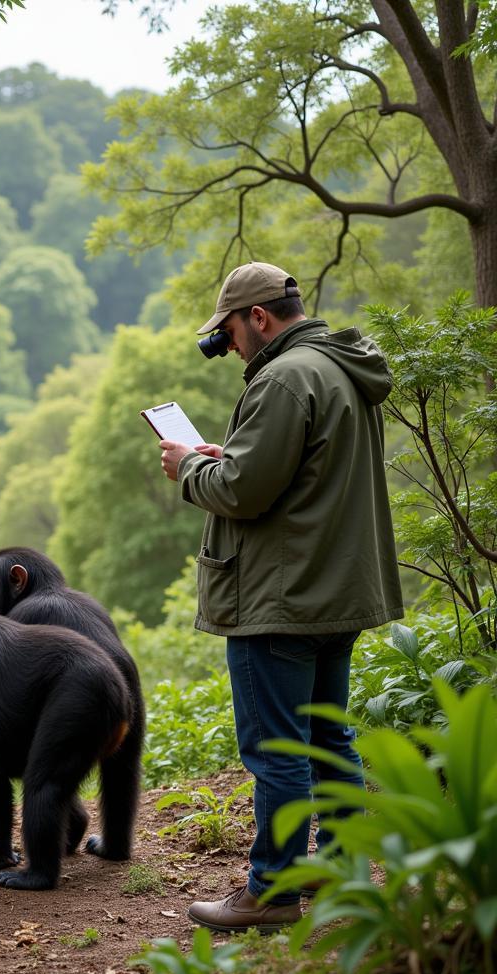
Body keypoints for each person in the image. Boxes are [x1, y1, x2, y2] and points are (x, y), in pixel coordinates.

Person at [159, 262, 403, 933]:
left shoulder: (284, 377)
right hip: (336, 589)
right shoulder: (339, 370)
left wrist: (190, 470)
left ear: (259, 317)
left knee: (278, 751)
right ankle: (346, 878)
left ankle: (273, 891)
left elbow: (243, 492)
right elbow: (290, 474)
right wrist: (224, 456)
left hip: (281, 597)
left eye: (230, 332)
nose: (230, 345)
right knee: (328, 742)